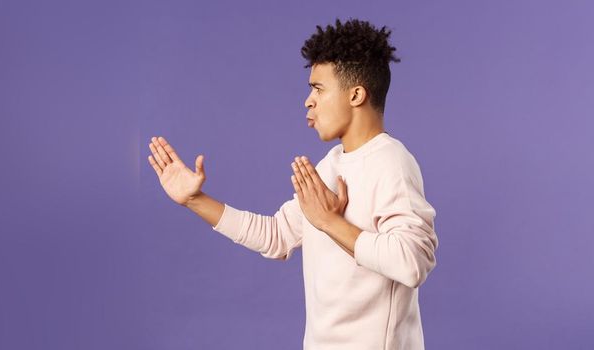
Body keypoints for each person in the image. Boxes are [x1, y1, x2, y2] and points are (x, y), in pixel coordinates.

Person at [146, 18, 438, 349]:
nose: (307, 101)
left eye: (318, 88)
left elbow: (411, 262)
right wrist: (194, 200)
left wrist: (330, 222)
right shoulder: (330, 164)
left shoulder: (391, 162)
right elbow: (277, 236)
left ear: (356, 94)